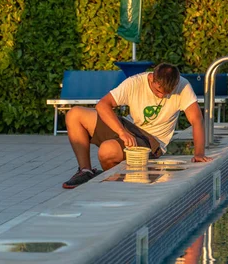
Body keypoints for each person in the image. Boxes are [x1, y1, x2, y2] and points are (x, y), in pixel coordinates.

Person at [62, 63, 212, 189]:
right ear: (152, 78)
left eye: (167, 93)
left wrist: (198, 153)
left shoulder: (183, 86)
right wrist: (121, 131)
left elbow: (196, 120)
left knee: (106, 151)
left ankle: (117, 183)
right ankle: (86, 170)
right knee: (74, 114)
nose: (162, 96)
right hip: (128, 126)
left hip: (152, 141)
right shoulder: (135, 82)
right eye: (159, 91)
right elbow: (103, 105)